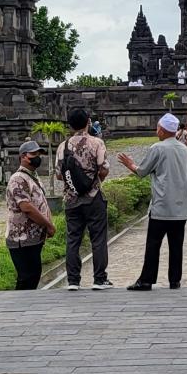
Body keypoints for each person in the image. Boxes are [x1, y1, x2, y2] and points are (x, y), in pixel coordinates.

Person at [120, 114, 187, 291]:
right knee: (177, 245)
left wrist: (130, 164)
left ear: (162, 129)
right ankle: (174, 280)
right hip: (181, 207)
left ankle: (146, 280)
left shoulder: (157, 148)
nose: (156, 131)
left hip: (161, 205)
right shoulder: (185, 150)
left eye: (158, 127)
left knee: (153, 244)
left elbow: (142, 171)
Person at [54, 107, 111, 290]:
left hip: (71, 198)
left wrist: (74, 184)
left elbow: (58, 175)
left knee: (73, 239)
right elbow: (104, 168)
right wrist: (94, 181)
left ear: (69, 125)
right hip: (93, 197)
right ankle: (99, 279)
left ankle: (73, 280)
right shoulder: (96, 143)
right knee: (98, 239)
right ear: (88, 122)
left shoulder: (63, 146)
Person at [5, 140, 54, 290]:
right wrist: (48, 225)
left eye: (38, 154)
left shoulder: (32, 176)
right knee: (26, 277)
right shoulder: (18, 179)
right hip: (21, 238)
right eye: (34, 154)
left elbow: (41, 202)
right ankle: (19, 310)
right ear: (23, 157)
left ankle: (26, 308)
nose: (37, 157)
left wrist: (48, 224)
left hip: (33, 237)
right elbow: (27, 207)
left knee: (33, 276)